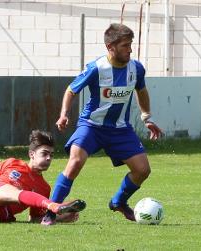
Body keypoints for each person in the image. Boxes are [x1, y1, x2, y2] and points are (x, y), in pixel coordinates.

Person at [50, 23, 163, 222]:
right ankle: (50, 212)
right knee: (75, 162)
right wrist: (63, 114)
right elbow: (71, 90)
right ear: (110, 47)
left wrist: (146, 117)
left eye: (131, 45)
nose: (130, 50)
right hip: (91, 126)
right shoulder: (96, 68)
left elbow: (141, 91)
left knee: (142, 170)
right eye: (125, 46)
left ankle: (118, 202)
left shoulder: (136, 69)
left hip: (120, 129)